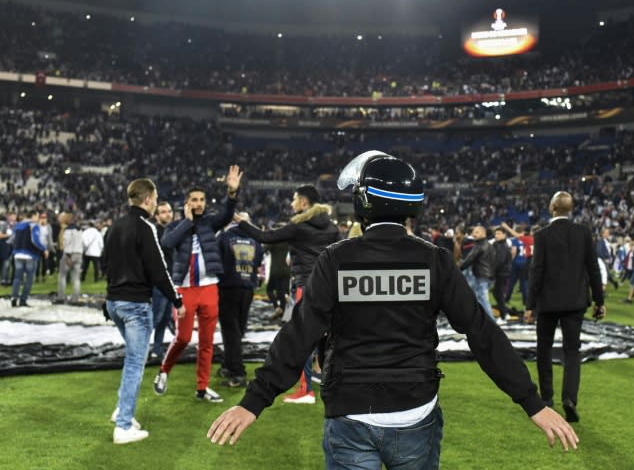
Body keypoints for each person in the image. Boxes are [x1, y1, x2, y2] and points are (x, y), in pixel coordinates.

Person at [207, 150, 579, 466]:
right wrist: (531, 402)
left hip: (350, 412)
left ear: (364, 200)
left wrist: (254, 401)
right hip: (416, 410)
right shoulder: (434, 260)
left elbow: (300, 334)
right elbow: (481, 333)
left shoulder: (336, 259)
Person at [235, 184, 341, 404]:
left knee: (301, 339)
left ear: (304, 202)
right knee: (328, 337)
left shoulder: (299, 227)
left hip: (306, 285)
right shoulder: (332, 227)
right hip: (330, 287)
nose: (292, 204)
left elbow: (265, 236)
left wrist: (242, 223)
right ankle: (329, 380)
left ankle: (305, 390)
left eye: (294, 199)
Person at [104, 178, 185, 444]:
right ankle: (124, 425)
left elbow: (106, 263)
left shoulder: (114, 226)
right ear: (149, 198)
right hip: (136, 304)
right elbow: (158, 269)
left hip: (114, 302)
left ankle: (121, 411)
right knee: (135, 363)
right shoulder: (145, 227)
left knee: (132, 359)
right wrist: (177, 300)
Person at [154, 165, 243, 403]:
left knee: (206, 342)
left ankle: (202, 388)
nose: (199, 203)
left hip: (209, 288)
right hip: (184, 289)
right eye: (194, 199)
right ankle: (164, 371)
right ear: (186, 202)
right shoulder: (175, 226)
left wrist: (232, 193)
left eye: (202, 199)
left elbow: (225, 216)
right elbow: (168, 242)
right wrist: (186, 221)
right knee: (182, 338)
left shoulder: (210, 223)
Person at [526, 191, 605, 423]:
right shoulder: (583, 233)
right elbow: (593, 269)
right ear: (570, 209)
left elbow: (536, 271)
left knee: (544, 349)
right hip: (575, 302)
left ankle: (547, 399)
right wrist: (599, 301)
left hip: (548, 302)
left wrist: (530, 304)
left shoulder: (541, 235)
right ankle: (569, 398)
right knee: (572, 351)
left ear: (552, 208)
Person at [216, 212, 263, 387]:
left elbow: (216, 261)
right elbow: (258, 262)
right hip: (248, 287)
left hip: (228, 287)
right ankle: (228, 365)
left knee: (230, 331)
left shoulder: (225, 236)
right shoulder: (255, 239)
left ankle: (237, 372)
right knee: (238, 329)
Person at [149, 201, 175, 359]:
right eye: (164, 212)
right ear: (157, 216)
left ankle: (157, 348)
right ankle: (142, 349)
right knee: (155, 317)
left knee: (165, 318)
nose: (168, 214)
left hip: (172, 281)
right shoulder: (154, 232)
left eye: (169, 211)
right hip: (159, 282)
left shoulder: (173, 231)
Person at [10, 209, 48, 307]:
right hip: (30, 254)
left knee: (17, 278)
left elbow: (11, 239)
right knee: (29, 279)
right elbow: (35, 240)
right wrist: (44, 249)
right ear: (33, 216)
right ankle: (23, 300)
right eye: (37, 216)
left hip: (17, 254)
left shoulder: (17, 225)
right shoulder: (34, 226)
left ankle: (14, 297)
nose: (38, 218)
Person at [459, 225, 495, 319]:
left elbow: (469, 259)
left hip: (481, 275)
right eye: (473, 232)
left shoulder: (479, 245)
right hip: (487, 275)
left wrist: (458, 269)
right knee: (478, 298)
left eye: (476, 232)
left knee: (483, 299)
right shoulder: (489, 244)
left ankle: (492, 323)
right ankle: (480, 320)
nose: (473, 234)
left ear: (483, 233)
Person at [57, 213, 83, 302]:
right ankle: (75, 299)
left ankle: (61, 297)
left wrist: (68, 256)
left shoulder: (68, 230)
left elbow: (66, 243)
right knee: (76, 278)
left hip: (69, 254)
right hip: (79, 254)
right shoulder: (80, 230)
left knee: (62, 276)